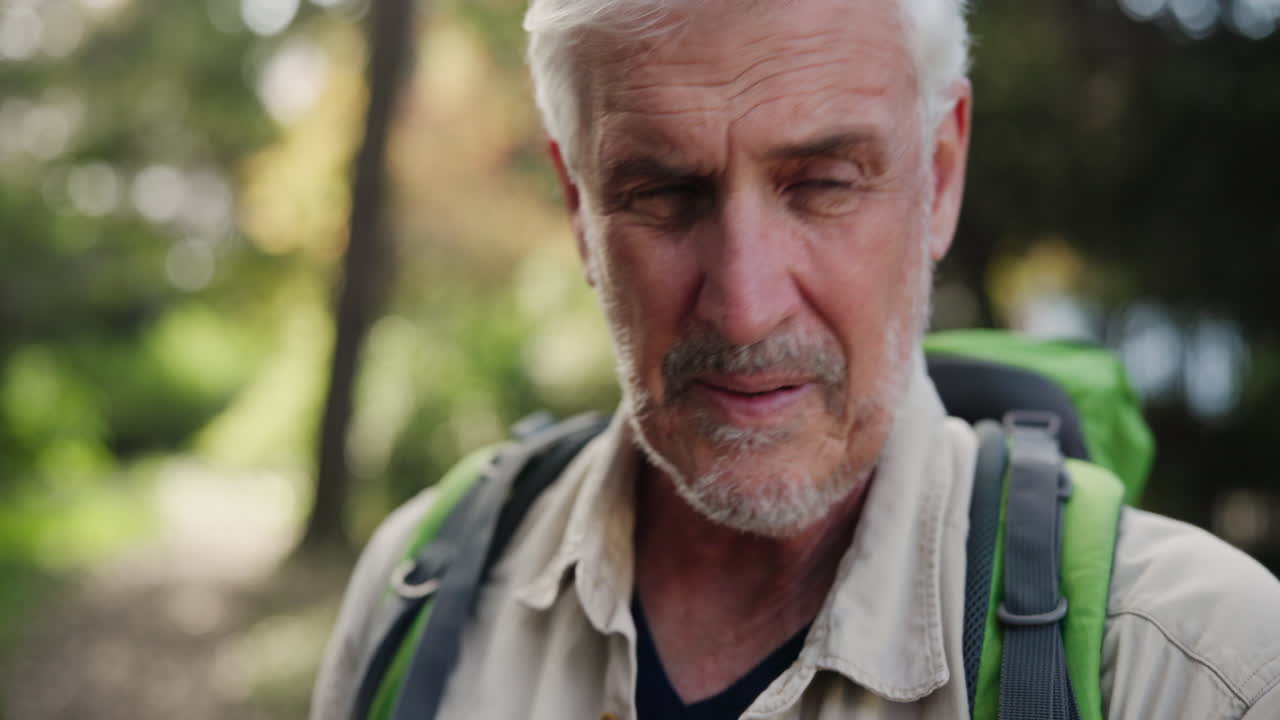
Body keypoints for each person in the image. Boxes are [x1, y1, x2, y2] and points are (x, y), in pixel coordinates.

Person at [311, 1, 1280, 718]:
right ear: (578, 210)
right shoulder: (417, 595)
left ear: (937, 177)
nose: (743, 306)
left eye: (820, 184)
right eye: (661, 194)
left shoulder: (1196, 672)